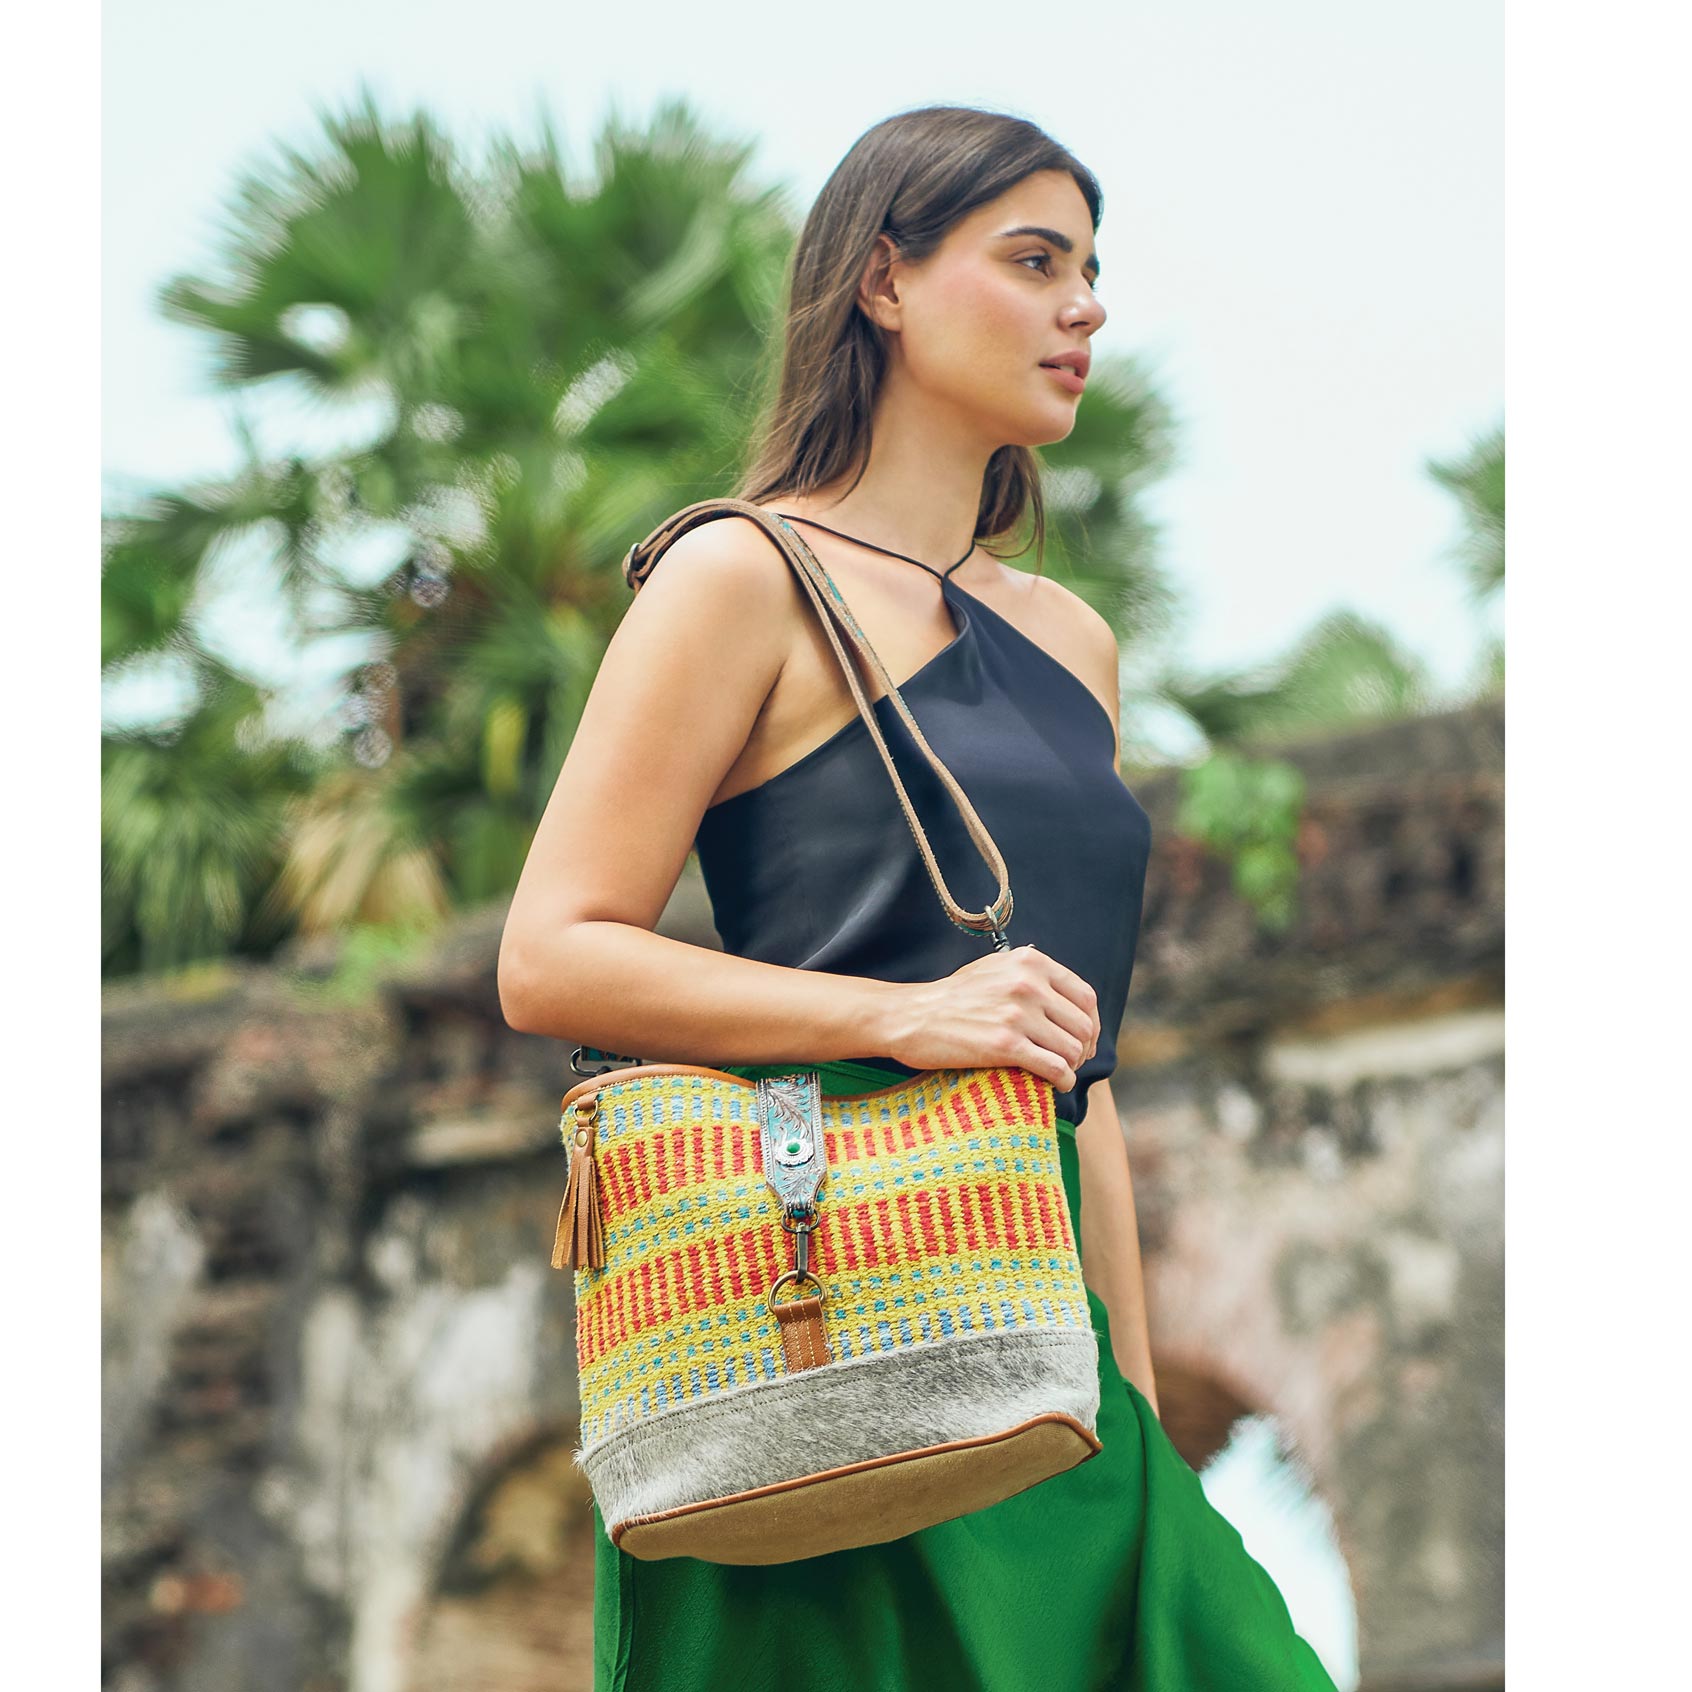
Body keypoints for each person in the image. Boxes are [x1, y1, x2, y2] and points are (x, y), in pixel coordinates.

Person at [499, 103, 1339, 1692]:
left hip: (1041, 1342)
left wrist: (1136, 1408)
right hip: (821, 1336)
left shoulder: (1073, 642)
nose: (1083, 307)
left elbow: (1070, 1065)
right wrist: (913, 1012)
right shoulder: (738, 574)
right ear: (882, 284)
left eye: (1091, 271)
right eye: (1033, 262)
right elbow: (550, 956)